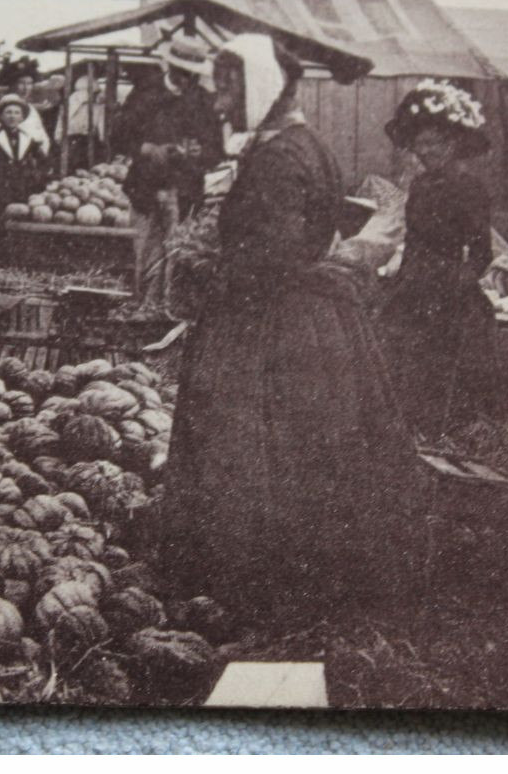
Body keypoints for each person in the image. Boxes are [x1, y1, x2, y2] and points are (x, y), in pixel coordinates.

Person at [158, 35, 423, 619]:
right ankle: (299, 576)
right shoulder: (305, 143)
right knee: (310, 449)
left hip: (271, 322)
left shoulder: (277, 157)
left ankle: (259, 583)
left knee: (256, 449)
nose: (220, 103)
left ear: (258, 85)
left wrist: (208, 273)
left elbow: (270, 260)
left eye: (227, 88)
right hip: (310, 315)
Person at [378, 80, 500, 439]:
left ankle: (444, 433)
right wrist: (403, 278)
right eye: (421, 144)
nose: (426, 152)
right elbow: (413, 239)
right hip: (414, 281)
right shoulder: (419, 186)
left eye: (435, 143)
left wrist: (455, 284)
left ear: (454, 144)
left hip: (449, 290)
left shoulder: (470, 188)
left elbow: (481, 253)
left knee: (443, 366)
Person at [126, 34, 223, 306]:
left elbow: (217, 150)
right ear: (169, 66)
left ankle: (168, 310)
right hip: (145, 187)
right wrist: (149, 149)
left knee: (179, 253)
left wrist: (199, 152)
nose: (187, 79)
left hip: (186, 189)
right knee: (145, 252)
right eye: (182, 73)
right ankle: (142, 306)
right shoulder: (145, 93)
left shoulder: (205, 101)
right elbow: (119, 135)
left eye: (192, 74)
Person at [0, 93, 48, 267]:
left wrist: (37, 178)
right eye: (8, 112)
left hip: (23, 189)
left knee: (22, 226)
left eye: (17, 112)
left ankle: (19, 264)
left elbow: (44, 162)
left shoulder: (29, 139)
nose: (12, 116)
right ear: (0, 116)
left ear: (22, 116)